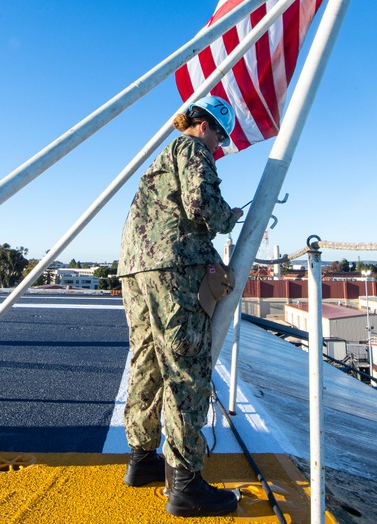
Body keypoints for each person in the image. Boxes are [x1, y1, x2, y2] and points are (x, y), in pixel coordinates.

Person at [117, 95, 243, 517]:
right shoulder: (192, 148)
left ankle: (141, 460)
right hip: (175, 268)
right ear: (207, 126)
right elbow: (201, 204)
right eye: (221, 138)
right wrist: (230, 216)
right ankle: (187, 483)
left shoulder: (161, 157)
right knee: (186, 368)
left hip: (136, 269)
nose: (220, 147)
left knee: (148, 361)